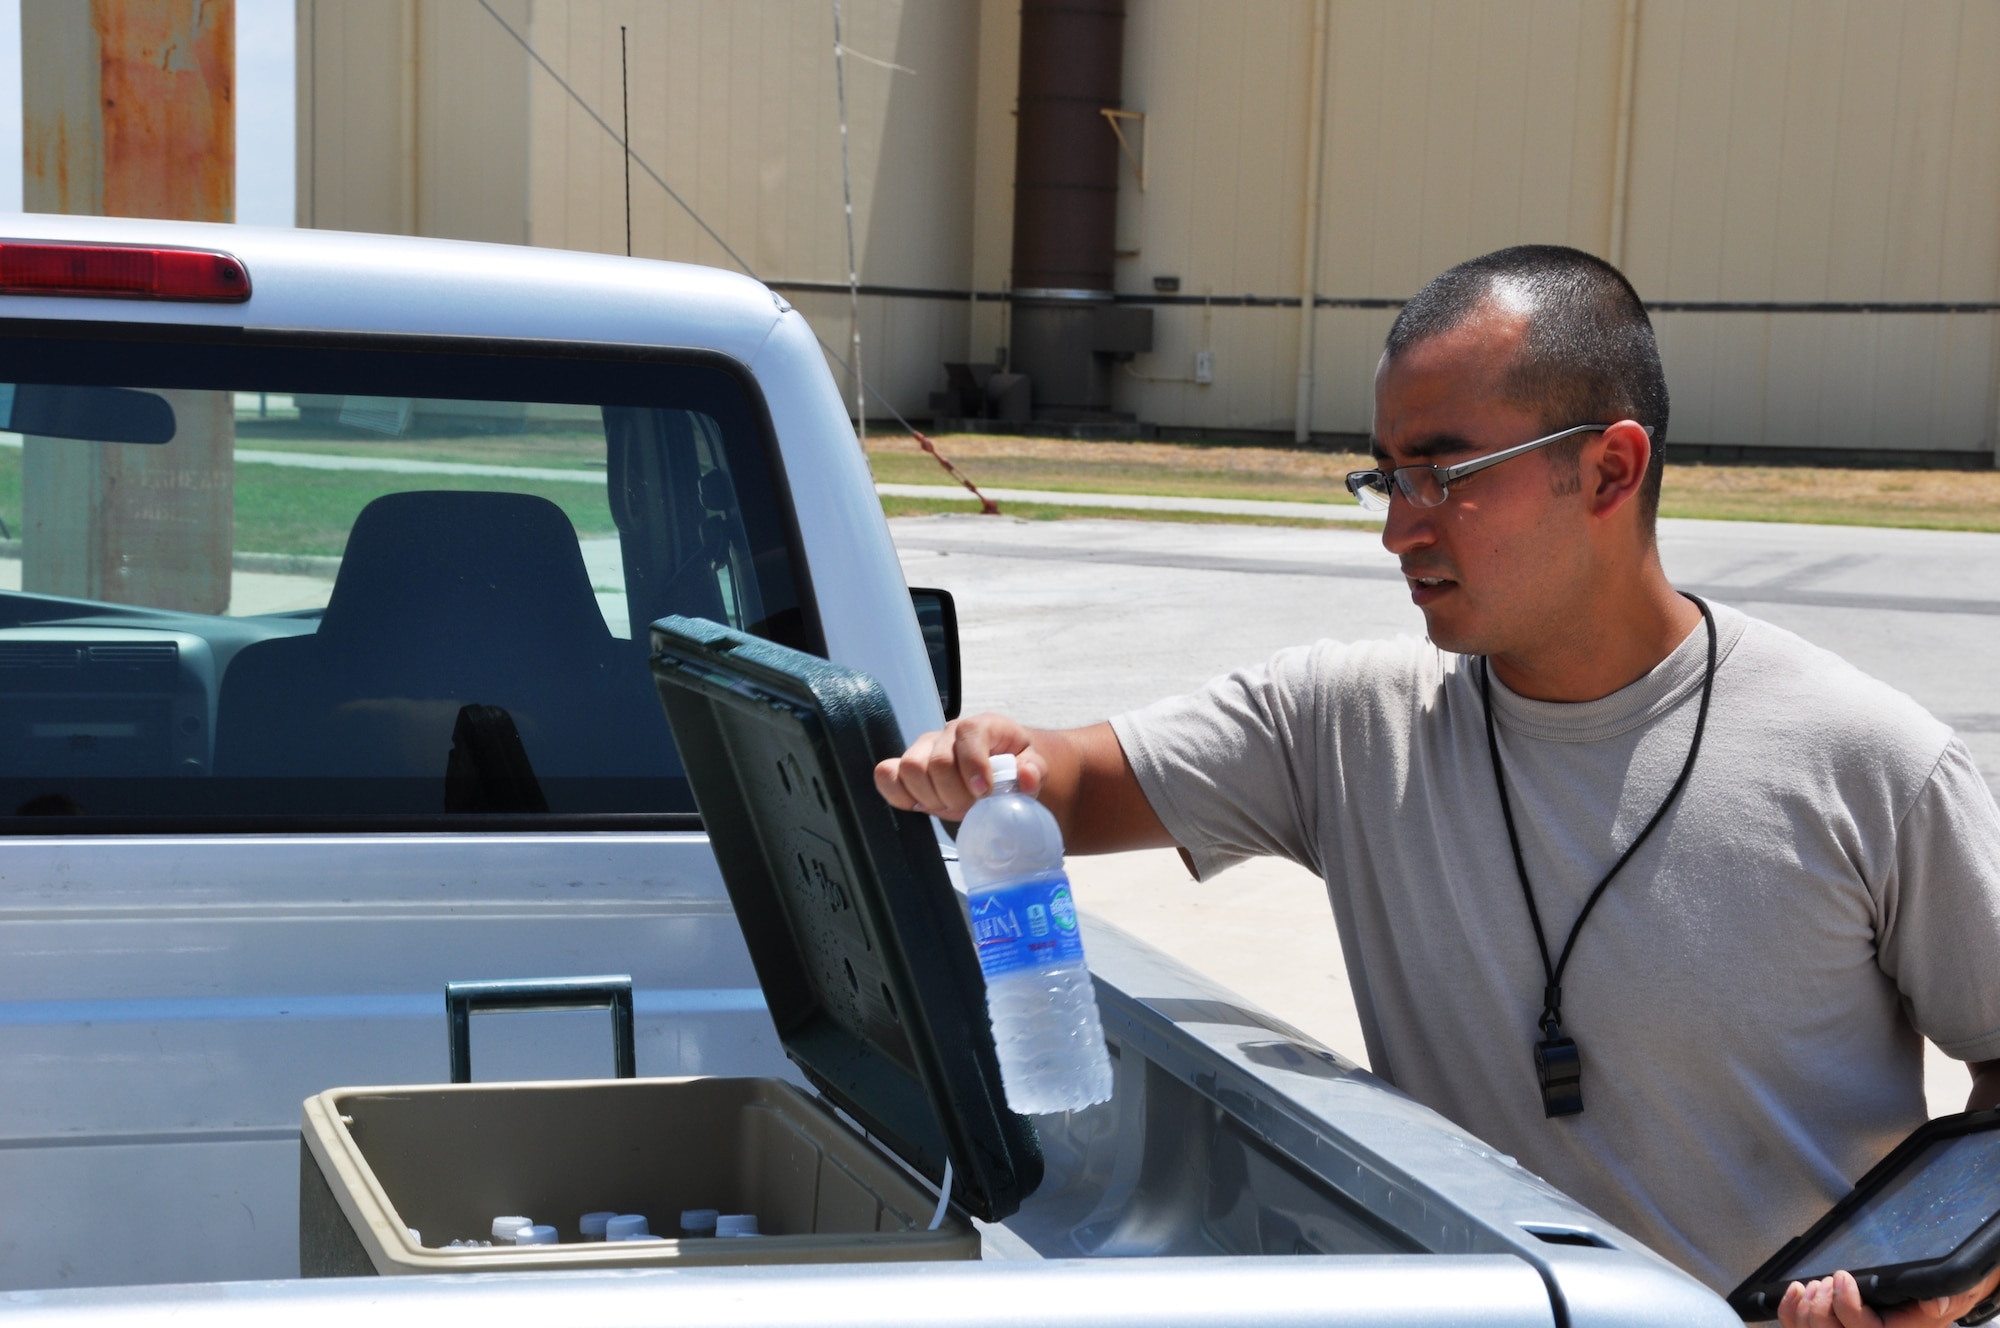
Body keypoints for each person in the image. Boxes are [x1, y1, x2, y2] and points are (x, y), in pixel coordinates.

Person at [875, 245, 2000, 1326]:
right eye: (1384, 474)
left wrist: (1938, 1286)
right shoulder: (1341, 723)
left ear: (1609, 466)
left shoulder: (1871, 765)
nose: (1396, 528)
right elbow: (1068, 784)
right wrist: (992, 761)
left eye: (1443, 474)